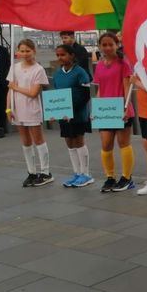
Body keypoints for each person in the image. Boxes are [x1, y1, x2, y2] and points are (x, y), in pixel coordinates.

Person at [92, 32, 135, 192]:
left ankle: (127, 177)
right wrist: (96, 108)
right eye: (104, 45)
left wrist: (125, 107)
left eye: (111, 44)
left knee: (123, 143)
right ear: (100, 47)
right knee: (106, 144)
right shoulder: (100, 65)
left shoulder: (124, 64)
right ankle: (110, 177)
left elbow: (127, 87)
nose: (108, 47)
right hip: (105, 110)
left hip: (121, 108)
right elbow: (100, 90)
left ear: (117, 45)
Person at [6, 39, 53, 187]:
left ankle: (45, 172)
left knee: (38, 139)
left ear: (34, 51)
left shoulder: (38, 69)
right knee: (25, 140)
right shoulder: (14, 68)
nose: (25, 54)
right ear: (18, 52)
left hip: (31, 109)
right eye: (22, 51)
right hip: (17, 109)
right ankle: (31, 172)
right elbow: (9, 90)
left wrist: (15, 87)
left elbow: (33, 93)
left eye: (28, 51)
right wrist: (8, 108)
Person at [52, 44, 93, 187]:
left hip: (78, 113)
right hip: (63, 116)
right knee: (69, 142)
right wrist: (55, 111)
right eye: (57, 55)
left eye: (62, 54)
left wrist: (71, 110)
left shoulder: (80, 72)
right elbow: (56, 96)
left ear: (71, 55)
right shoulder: (57, 74)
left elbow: (85, 95)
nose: (60, 58)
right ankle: (76, 172)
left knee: (78, 141)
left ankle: (86, 173)